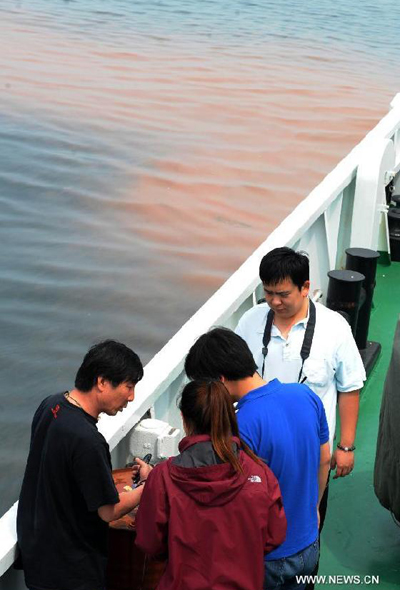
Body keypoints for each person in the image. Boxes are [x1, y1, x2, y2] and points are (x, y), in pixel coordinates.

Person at [184, 328, 331, 590]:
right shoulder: (305, 395)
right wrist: (314, 509)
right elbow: (324, 460)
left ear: (219, 379)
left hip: (267, 558)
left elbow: (230, 501)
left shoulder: (239, 426)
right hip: (309, 542)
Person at [17, 339, 153, 590]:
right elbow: (108, 511)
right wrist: (149, 485)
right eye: (128, 386)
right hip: (72, 572)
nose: (132, 397)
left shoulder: (51, 405)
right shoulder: (87, 440)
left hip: (39, 557)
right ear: (101, 382)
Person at [135, 379, 287, 590]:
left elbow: (150, 543)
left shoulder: (163, 478)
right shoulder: (259, 474)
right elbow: (274, 537)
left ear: (185, 420)